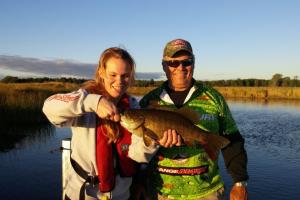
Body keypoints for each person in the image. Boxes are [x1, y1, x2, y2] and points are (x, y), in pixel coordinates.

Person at [43, 47, 179, 200]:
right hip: (84, 193)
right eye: (113, 75)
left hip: (122, 194)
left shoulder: (133, 108)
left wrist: (154, 141)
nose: (119, 81)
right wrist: (94, 102)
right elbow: (49, 107)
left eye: (125, 76)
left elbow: (137, 155)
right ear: (101, 72)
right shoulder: (85, 98)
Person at [138, 39, 249, 200]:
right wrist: (139, 182)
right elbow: (137, 150)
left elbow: (233, 140)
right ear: (164, 66)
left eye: (186, 62)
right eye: (173, 63)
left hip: (207, 193)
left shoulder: (213, 98)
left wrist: (240, 182)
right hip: (159, 193)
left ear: (194, 63)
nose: (180, 68)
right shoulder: (149, 101)